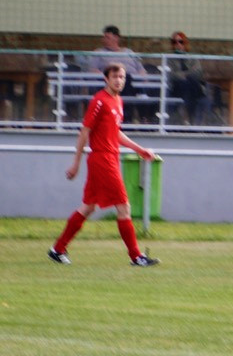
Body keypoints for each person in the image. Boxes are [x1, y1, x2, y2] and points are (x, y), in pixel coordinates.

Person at [48, 62, 160, 267]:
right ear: (106, 79)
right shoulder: (99, 101)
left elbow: (115, 133)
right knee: (124, 206)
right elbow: (84, 132)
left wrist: (140, 149)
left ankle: (58, 249)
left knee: (88, 207)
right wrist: (76, 164)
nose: (119, 80)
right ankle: (136, 257)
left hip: (108, 158)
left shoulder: (117, 101)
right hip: (102, 159)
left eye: (122, 77)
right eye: (115, 77)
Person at [167, 31, 211, 125]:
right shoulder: (169, 58)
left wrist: (184, 75)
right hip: (177, 87)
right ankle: (190, 118)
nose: (178, 44)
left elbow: (198, 72)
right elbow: (170, 74)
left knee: (190, 83)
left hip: (192, 86)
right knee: (187, 84)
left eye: (181, 42)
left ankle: (188, 118)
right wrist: (186, 75)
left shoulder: (192, 57)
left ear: (185, 43)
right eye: (175, 42)